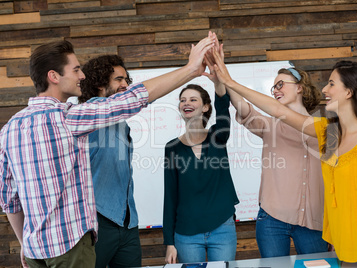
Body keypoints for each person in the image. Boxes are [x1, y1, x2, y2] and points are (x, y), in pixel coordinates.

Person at [0, 35, 215, 268]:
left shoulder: (10, 127)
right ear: (53, 76)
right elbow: (134, 98)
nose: (82, 76)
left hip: (35, 250)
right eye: (75, 70)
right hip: (69, 246)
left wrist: (25, 242)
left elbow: (9, 198)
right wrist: (191, 69)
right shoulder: (68, 118)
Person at [212, 48, 357, 267]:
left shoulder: (352, 135)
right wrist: (227, 80)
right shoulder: (327, 133)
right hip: (327, 239)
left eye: (331, 84)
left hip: (355, 239)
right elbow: (270, 109)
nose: (324, 89)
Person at [205, 42, 328, 257]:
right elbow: (244, 108)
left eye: (281, 84)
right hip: (272, 220)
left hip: (315, 221)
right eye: (274, 87)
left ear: (299, 87)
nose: (276, 90)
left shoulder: (327, 129)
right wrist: (224, 75)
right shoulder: (270, 125)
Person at [163, 81, 239, 263]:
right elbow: (170, 196)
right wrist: (169, 243)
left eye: (193, 99)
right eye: (183, 100)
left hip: (222, 228)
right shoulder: (172, 148)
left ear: (205, 107)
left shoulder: (217, 137)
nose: (186, 103)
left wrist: (218, 79)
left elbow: (222, 109)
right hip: (186, 233)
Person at [78, 55, 142, 268]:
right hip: (98, 221)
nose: (125, 85)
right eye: (118, 79)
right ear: (99, 83)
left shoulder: (122, 124)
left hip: (128, 222)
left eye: (126, 80)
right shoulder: (91, 112)